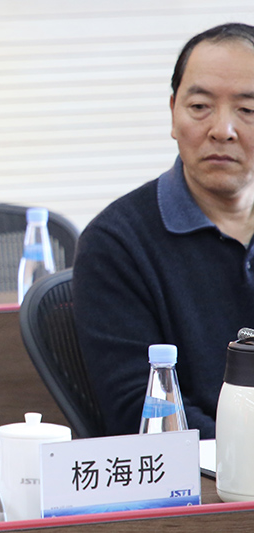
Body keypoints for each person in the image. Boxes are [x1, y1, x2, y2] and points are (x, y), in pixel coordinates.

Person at [73, 22, 254, 440]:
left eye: (248, 110)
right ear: (173, 112)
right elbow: (145, 415)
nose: (222, 129)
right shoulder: (115, 244)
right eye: (200, 106)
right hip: (201, 473)